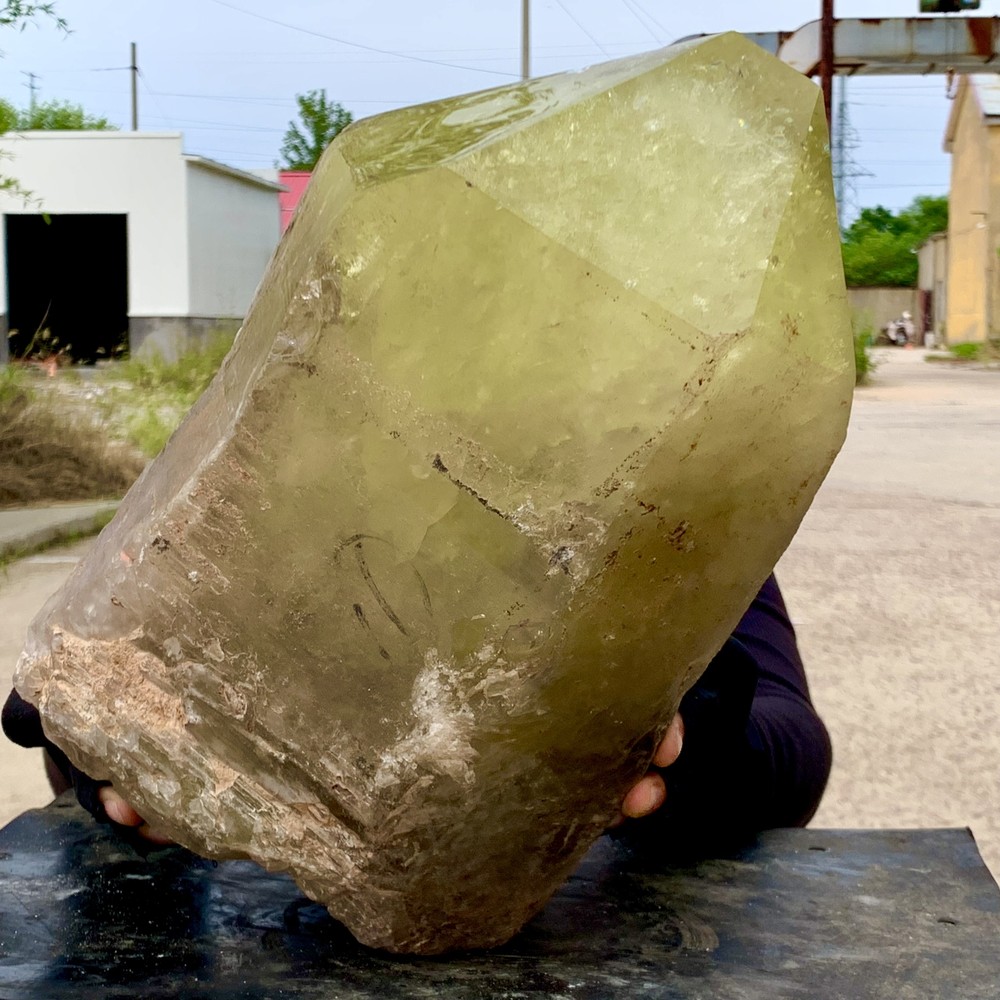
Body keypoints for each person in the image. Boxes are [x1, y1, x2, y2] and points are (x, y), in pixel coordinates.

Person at [2, 574, 830, 853]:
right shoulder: (262, 468)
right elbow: (97, 704)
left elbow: (794, 750)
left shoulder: (662, 490)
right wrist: (98, 751)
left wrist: (708, 743)